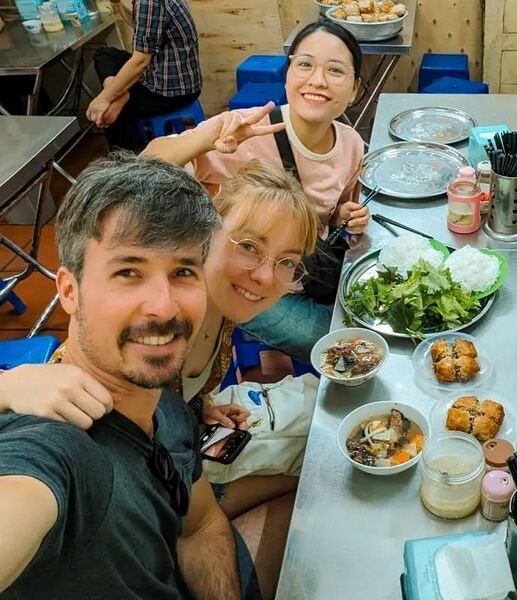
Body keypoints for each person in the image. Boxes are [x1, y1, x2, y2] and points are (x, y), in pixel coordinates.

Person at [0, 158, 319, 599]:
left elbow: (201, 525)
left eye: (182, 271)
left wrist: (196, 409)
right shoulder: (55, 449)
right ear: (69, 291)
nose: (164, 307)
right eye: (128, 272)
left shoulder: (165, 405)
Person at [143, 20, 369, 360]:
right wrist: (204, 139)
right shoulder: (245, 130)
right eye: (305, 64)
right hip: (244, 282)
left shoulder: (351, 144)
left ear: (354, 89)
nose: (317, 80)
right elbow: (146, 166)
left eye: (335, 70)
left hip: (303, 270)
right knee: (338, 343)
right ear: (289, 72)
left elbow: (331, 216)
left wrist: (342, 215)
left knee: (369, 309)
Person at [87, 0, 202, 151]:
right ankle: (119, 93)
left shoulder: (149, 1)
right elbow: (146, 30)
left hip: (172, 91)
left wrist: (104, 98)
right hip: (174, 78)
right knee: (106, 54)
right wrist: (118, 5)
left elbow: (140, 61)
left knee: (111, 113)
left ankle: (130, 165)